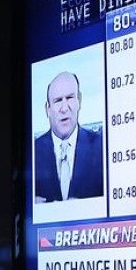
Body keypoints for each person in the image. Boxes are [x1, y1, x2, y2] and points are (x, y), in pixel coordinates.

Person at [35, 72, 103, 203]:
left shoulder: (100, 147)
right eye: (58, 100)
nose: (64, 108)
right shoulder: (33, 152)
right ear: (48, 109)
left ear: (79, 101)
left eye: (70, 98)